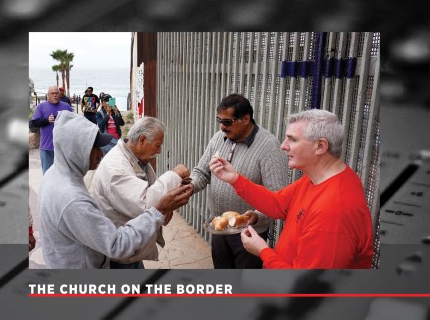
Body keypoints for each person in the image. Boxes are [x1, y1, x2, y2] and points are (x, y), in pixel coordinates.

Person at [210, 109, 374, 269]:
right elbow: (278, 204)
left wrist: (263, 251)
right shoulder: (315, 178)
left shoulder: (334, 210)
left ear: (320, 146)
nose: (283, 146)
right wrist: (236, 179)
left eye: (292, 140)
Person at [39, 111, 193, 269]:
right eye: (94, 148)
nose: (100, 153)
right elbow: (117, 244)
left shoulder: (55, 174)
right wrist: (160, 208)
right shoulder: (72, 199)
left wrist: (163, 207)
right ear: (76, 150)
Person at [190, 94, 289, 269]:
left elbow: (277, 197)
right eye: (219, 120)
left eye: (227, 122)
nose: (221, 127)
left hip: (251, 234)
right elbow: (202, 172)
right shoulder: (218, 138)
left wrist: (257, 216)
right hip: (219, 227)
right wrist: (189, 187)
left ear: (245, 119)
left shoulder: (269, 147)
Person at [90, 116, 191, 269]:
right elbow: (146, 204)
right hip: (119, 253)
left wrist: (168, 202)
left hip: (130, 246)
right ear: (142, 140)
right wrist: (174, 175)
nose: (159, 151)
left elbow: (150, 190)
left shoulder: (135, 157)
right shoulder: (116, 168)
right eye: (157, 145)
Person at [29, 85, 72, 174]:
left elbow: (73, 123)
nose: (55, 95)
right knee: (47, 175)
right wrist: (47, 120)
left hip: (63, 148)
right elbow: (33, 123)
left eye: (56, 93)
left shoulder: (66, 106)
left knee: (64, 175)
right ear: (48, 95)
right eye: (52, 93)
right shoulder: (41, 106)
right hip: (47, 148)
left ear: (60, 94)